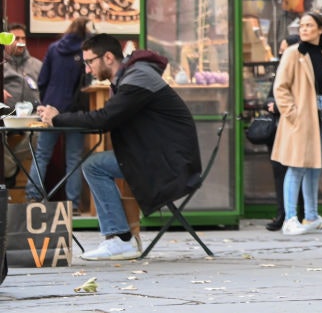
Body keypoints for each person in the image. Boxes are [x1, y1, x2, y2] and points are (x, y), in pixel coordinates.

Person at [37, 34, 201, 260]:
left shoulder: (137, 78)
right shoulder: (130, 77)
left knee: (94, 166)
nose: (86, 70)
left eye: (89, 62)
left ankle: (120, 239)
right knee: (95, 164)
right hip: (159, 154)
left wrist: (58, 118)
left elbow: (104, 119)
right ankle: (120, 238)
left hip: (170, 162)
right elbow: (108, 118)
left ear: (108, 57)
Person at [270, 12, 322, 236]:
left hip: (321, 116)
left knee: (315, 166)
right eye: (302, 26)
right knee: (297, 165)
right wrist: (292, 114)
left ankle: (311, 215)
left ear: (320, 29)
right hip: (301, 117)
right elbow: (280, 87)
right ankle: (290, 218)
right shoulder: (293, 53)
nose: (304, 29)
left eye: (309, 25)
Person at [26, 17, 91, 211]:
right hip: (76, 111)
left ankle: (33, 198)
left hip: (50, 107)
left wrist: (47, 102)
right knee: (74, 159)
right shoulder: (86, 51)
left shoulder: (54, 48)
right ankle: (72, 205)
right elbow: (88, 83)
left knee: (42, 155)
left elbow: (42, 80)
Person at [264, 34, 303, 231]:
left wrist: (278, 107)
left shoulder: (301, 69)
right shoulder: (283, 69)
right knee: (282, 171)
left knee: (297, 170)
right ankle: (286, 213)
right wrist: (270, 104)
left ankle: (296, 214)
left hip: (292, 125)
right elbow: (270, 96)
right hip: (279, 128)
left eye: (283, 49)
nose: (280, 53)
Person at [3, 22, 42, 107]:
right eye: (16, 38)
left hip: (33, 116)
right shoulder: (1, 65)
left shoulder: (38, 65)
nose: (21, 42)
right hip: (6, 116)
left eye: (23, 38)